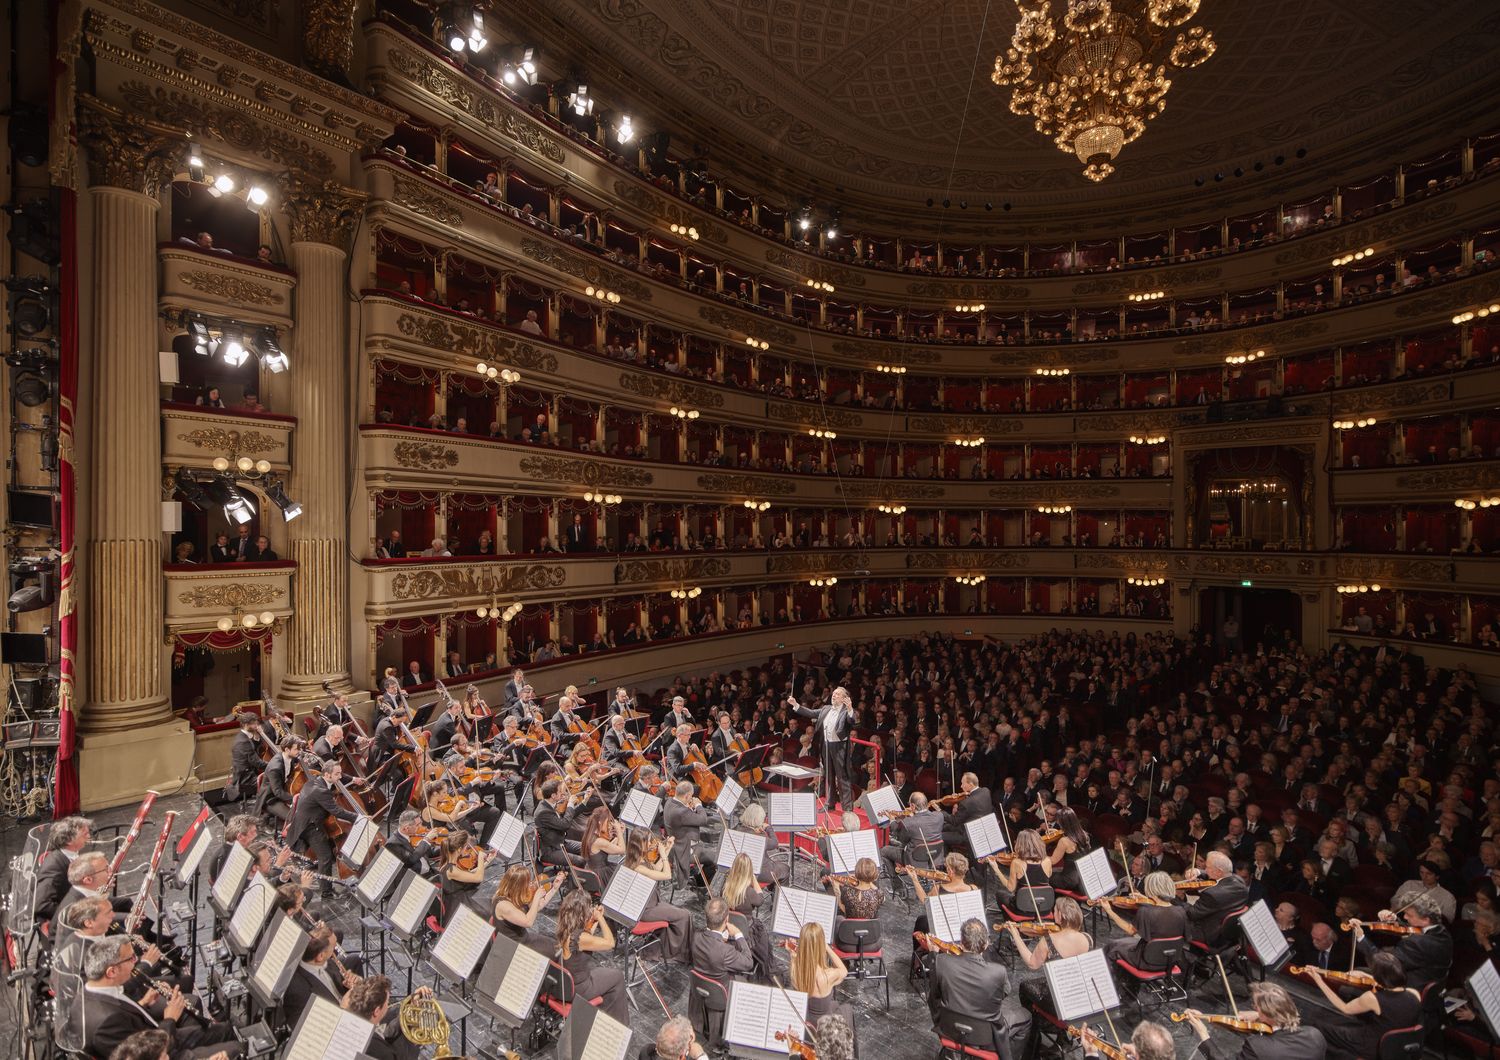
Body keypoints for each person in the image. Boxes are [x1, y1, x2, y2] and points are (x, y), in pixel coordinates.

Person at [1302, 951, 1421, 1060]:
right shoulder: (1415, 993)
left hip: (1371, 1046)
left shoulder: (1372, 998)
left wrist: (1319, 981)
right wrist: (1365, 975)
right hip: (1397, 1045)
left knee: (1319, 1025)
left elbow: (1344, 1008)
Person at [928, 918, 1012, 1060]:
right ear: (985, 945)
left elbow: (933, 996)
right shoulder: (998, 972)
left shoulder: (941, 962)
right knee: (1024, 1018)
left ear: (961, 942)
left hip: (949, 1028)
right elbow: (1004, 992)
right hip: (985, 1036)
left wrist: (933, 955)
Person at [1183, 982, 1327, 1060]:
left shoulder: (1258, 1046)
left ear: (1266, 1014)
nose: (1253, 1008)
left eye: (1256, 1006)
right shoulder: (1315, 1035)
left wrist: (1204, 1034)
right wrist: (1259, 1015)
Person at [1351, 893, 1452, 992]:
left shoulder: (1417, 943)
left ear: (1426, 919)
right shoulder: (1442, 933)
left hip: (1408, 989)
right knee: (1359, 969)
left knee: (1348, 986)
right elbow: (1411, 927)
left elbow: (1382, 963)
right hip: (1425, 981)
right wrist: (1394, 920)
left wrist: (1361, 937)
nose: (1405, 917)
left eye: (1409, 915)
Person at [554, 890, 628, 1025]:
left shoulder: (566, 928)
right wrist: (600, 918)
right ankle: (620, 1023)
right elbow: (610, 943)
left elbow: (587, 934)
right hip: (580, 988)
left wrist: (593, 920)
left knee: (606, 974)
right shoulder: (580, 939)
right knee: (617, 976)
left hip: (568, 984)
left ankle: (606, 1015)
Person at [620, 828, 693, 960]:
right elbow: (666, 875)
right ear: (640, 844)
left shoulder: (638, 860)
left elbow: (657, 869)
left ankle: (665, 948)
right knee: (685, 915)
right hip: (646, 910)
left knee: (679, 913)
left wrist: (668, 849)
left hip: (651, 903)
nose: (651, 844)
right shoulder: (638, 868)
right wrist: (663, 856)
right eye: (648, 842)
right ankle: (676, 952)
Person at [1100, 871, 1190, 967]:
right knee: (1124, 943)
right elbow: (1161, 906)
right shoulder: (1181, 911)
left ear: (1151, 890)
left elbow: (1130, 931)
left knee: (1112, 947)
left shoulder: (1146, 911)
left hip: (1146, 960)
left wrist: (1109, 910)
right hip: (1169, 960)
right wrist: (1144, 898)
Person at [789, 685, 855, 809]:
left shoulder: (846, 711)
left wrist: (850, 708)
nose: (834, 695)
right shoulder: (826, 708)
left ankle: (847, 808)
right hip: (826, 745)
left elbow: (852, 721)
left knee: (842, 777)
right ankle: (830, 804)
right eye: (834, 693)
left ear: (844, 699)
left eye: (837, 694)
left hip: (839, 747)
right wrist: (796, 704)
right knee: (828, 776)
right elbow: (811, 713)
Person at [788, 922, 852, 1034]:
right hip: (824, 1026)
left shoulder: (796, 972)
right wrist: (827, 948)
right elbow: (844, 971)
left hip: (806, 1024)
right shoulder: (827, 976)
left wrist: (792, 956)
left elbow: (796, 962)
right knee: (847, 1010)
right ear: (820, 945)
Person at [721, 851, 773, 974]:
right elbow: (760, 900)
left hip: (728, 927)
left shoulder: (725, 886)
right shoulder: (749, 892)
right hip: (746, 929)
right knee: (764, 942)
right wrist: (754, 879)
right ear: (748, 871)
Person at [1186, 851, 1249, 947]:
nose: (1205, 869)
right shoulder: (1239, 882)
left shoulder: (1212, 894)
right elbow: (1215, 875)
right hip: (1230, 934)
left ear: (1219, 871)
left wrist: (1175, 899)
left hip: (1209, 935)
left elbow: (1192, 913)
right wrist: (1198, 872)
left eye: (1207, 867)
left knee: (1173, 917)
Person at [492, 865, 563, 948]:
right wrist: (536, 897)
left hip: (524, 938)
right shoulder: (503, 905)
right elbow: (528, 922)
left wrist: (554, 888)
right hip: (513, 946)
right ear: (518, 885)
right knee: (554, 949)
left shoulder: (517, 895)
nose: (531, 884)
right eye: (528, 882)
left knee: (555, 944)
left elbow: (538, 906)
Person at [880, 791, 945, 877]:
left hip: (915, 858)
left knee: (884, 851)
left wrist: (892, 820)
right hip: (935, 856)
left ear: (913, 806)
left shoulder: (909, 822)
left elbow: (901, 841)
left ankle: (895, 879)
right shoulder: (939, 816)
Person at [991, 829, 1053, 915]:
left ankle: (1010, 922)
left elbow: (1010, 888)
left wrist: (996, 869)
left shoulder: (1017, 862)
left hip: (1022, 908)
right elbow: (1047, 878)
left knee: (1000, 894)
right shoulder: (1047, 860)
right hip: (1044, 907)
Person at [662, 779, 710, 886]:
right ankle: (700, 883)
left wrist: (688, 807)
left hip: (674, 844)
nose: (691, 799)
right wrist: (698, 806)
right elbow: (703, 820)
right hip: (684, 850)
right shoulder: (682, 812)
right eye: (691, 796)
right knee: (714, 859)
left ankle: (696, 878)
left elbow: (683, 817)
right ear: (687, 796)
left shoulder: (669, 802)